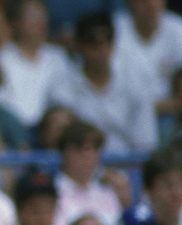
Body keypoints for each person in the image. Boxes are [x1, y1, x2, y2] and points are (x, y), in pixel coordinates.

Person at [49, 13, 159, 153]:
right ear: (79, 45)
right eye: (92, 41)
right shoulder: (62, 88)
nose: (101, 48)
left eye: (107, 40)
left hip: (127, 166)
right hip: (81, 167)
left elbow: (145, 145)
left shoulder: (134, 84)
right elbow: (59, 145)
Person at [0, 0, 69, 129]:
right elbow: (0, 103)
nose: (41, 21)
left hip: (47, 129)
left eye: (43, 15)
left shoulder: (57, 56)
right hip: (12, 129)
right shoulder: (1, 57)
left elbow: (63, 99)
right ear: (15, 22)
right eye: (33, 16)